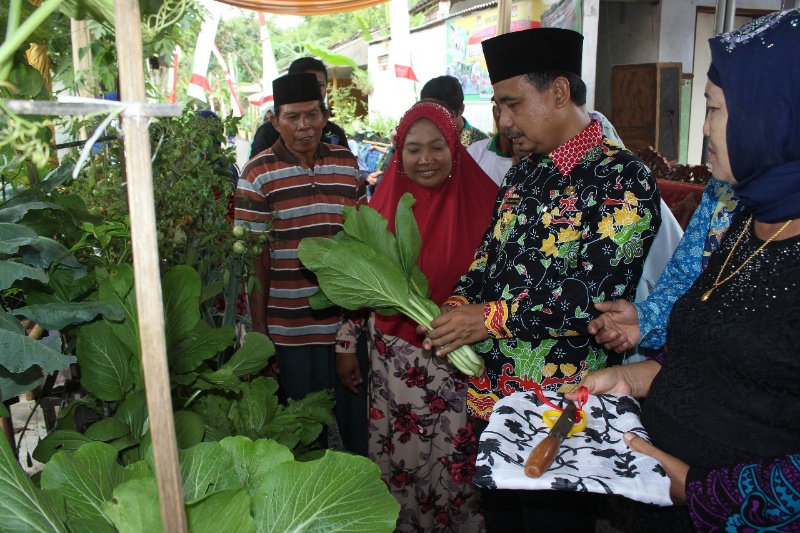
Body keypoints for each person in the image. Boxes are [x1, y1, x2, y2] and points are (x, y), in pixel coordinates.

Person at [419, 27, 661, 531]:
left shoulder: (621, 177)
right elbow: (489, 259)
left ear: (558, 92)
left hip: (564, 403)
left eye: (511, 104)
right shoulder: (522, 173)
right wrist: (458, 302)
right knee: (505, 520)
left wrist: (487, 318)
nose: (503, 123)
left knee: (554, 523)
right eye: (498, 107)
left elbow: (593, 295)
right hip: (497, 395)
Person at [572, 9, 800, 531]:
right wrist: (627, 379)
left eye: (715, 109)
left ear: (772, 117)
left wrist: (696, 486)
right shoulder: (748, 220)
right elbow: (711, 357)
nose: (703, 129)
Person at [336, 101, 498, 532]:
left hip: (462, 360)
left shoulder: (490, 203)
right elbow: (359, 278)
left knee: (457, 460)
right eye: (413, 148)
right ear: (399, 152)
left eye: (437, 146)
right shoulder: (379, 205)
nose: (425, 158)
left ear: (455, 147)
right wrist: (346, 345)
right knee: (402, 460)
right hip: (396, 361)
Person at [234, 72, 366, 449]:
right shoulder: (257, 174)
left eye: (312, 114)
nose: (304, 126)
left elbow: (363, 239)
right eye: (292, 117)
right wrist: (261, 330)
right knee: (304, 434)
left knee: (358, 429)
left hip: (345, 327)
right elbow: (253, 259)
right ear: (275, 121)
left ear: (325, 116)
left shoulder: (346, 163)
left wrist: (354, 328)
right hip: (289, 329)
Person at [249, 57, 349, 159]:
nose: (304, 125)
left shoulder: (335, 133)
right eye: (292, 117)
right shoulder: (268, 133)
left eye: (320, 85)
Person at [420, 75, 489, 147]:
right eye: (429, 116)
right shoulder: (418, 139)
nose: (435, 122)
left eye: (443, 116)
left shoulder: (483, 146)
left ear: (461, 109)